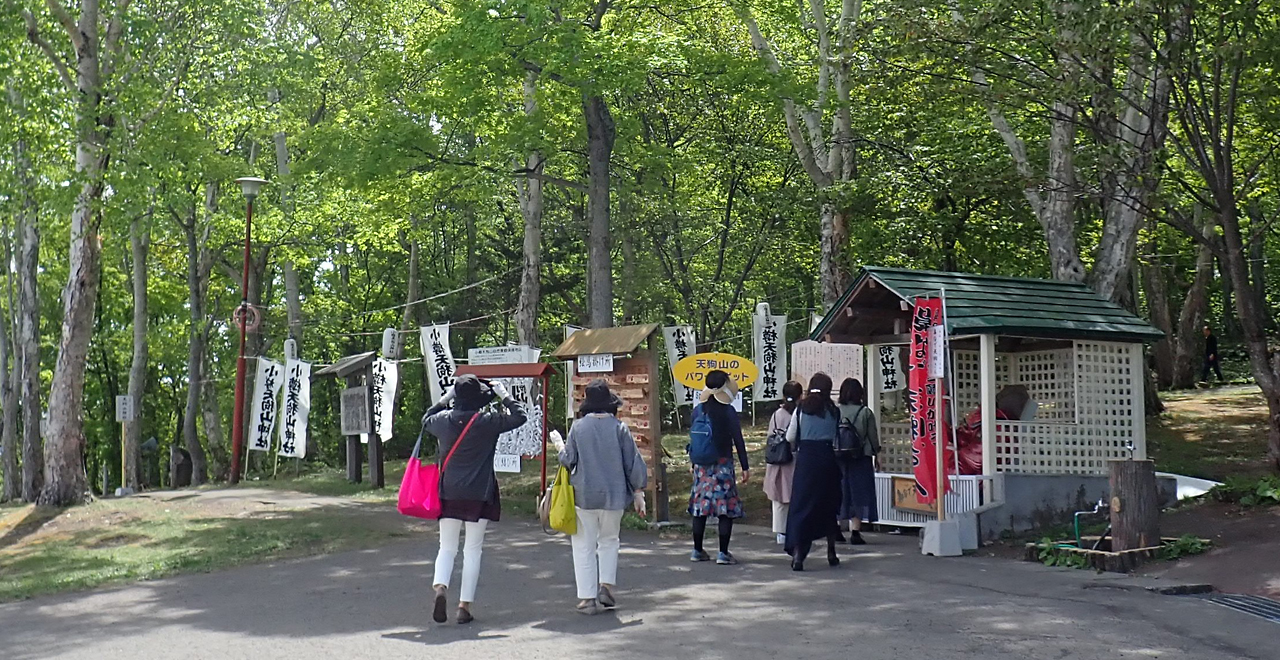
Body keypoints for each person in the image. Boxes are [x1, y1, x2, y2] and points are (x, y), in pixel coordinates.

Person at [422, 374, 527, 625]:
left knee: (446, 547)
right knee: (472, 550)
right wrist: (504, 394)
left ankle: (440, 587)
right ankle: (464, 606)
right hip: (479, 493)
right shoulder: (487, 421)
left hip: (448, 491)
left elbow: (425, 419)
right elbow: (520, 417)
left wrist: (444, 399)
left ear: (456, 397)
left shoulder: (443, 421)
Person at [553, 379, 649, 616]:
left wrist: (558, 446)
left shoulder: (578, 428)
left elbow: (569, 460)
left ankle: (587, 599)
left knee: (583, 546)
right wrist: (638, 493)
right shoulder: (619, 428)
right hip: (615, 495)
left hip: (584, 495)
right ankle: (606, 586)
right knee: (609, 541)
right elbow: (633, 462)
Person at [689, 370, 750, 565]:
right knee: (725, 508)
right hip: (723, 464)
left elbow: (694, 438)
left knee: (700, 508)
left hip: (701, 466)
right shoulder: (727, 411)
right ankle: (723, 553)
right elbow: (738, 440)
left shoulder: (698, 410)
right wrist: (745, 466)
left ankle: (697, 550)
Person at [783, 373, 843, 571]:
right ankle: (831, 552)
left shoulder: (801, 409)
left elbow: (790, 436)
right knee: (828, 505)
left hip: (806, 461)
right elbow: (836, 436)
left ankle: (799, 555)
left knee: (802, 506)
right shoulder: (834, 411)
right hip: (827, 459)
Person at [836, 378, 880, 545]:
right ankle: (855, 531)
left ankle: (838, 528)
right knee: (859, 493)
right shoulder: (865, 412)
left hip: (838, 458)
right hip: (860, 457)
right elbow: (872, 438)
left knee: (840, 491)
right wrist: (877, 455)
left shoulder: (836, 411)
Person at [765, 381, 803, 546]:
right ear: (800, 396)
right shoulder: (797, 414)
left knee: (778, 499)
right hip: (791, 460)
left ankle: (780, 531)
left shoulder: (777, 414)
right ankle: (791, 529)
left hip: (775, 459)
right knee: (791, 496)